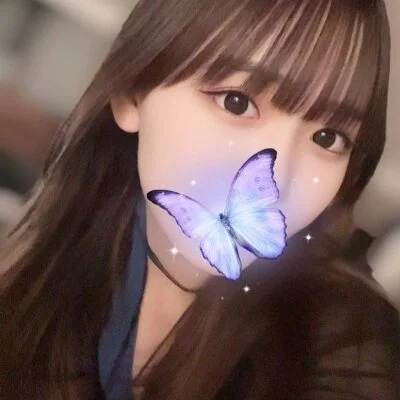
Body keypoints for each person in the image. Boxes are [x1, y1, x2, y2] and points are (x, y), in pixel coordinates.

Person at [1, 0, 399, 399]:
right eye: (236, 102)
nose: (279, 179)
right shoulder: (28, 293)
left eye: (328, 138)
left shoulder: (347, 347)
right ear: (132, 94)